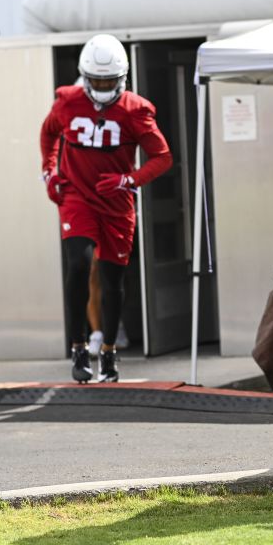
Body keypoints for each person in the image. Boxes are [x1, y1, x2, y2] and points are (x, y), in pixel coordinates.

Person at [40, 34, 172, 382]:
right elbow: (48, 134)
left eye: (107, 81)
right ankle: (79, 348)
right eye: (95, 80)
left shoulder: (135, 109)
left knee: (113, 281)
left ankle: (110, 352)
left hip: (116, 203)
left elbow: (162, 157)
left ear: (121, 78)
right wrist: (48, 171)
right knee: (79, 265)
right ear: (84, 77)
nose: (100, 87)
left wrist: (129, 180)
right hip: (77, 197)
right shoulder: (67, 101)